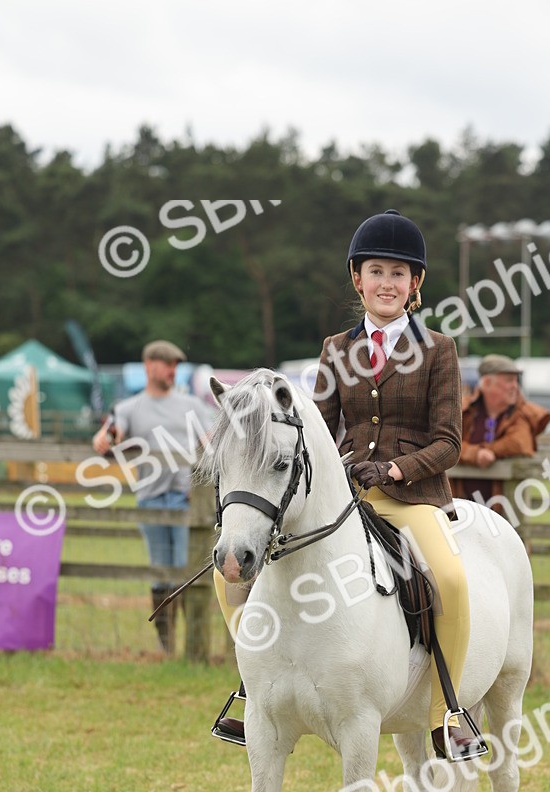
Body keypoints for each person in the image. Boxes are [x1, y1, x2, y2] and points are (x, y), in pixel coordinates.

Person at [212, 209, 485, 762]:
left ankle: (447, 713)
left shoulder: (439, 350)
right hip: (346, 501)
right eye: (377, 272)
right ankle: (256, 683)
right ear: (358, 280)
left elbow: (449, 442)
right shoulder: (336, 348)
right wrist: (338, 466)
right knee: (227, 577)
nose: (388, 284)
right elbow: (320, 427)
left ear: (415, 285)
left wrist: (397, 469)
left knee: (451, 580)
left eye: (399, 274)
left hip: (411, 499)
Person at [92, 339, 212, 653]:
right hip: (150, 501)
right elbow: (109, 433)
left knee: (187, 573)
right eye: (168, 364)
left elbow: (212, 440)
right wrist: (103, 439)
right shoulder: (130, 407)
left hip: (186, 500)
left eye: (176, 365)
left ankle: (193, 646)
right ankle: (166, 645)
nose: (173, 370)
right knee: (161, 573)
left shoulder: (191, 406)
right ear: (150, 366)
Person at [451, 354, 550, 503]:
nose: (515, 387)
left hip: (505, 507)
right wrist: (475, 454)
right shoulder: (463, 410)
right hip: (460, 501)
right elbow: (446, 445)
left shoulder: (522, 413)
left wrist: (490, 451)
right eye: (508, 381)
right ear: (486, 383)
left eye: (516, 381)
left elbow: (519, 443)